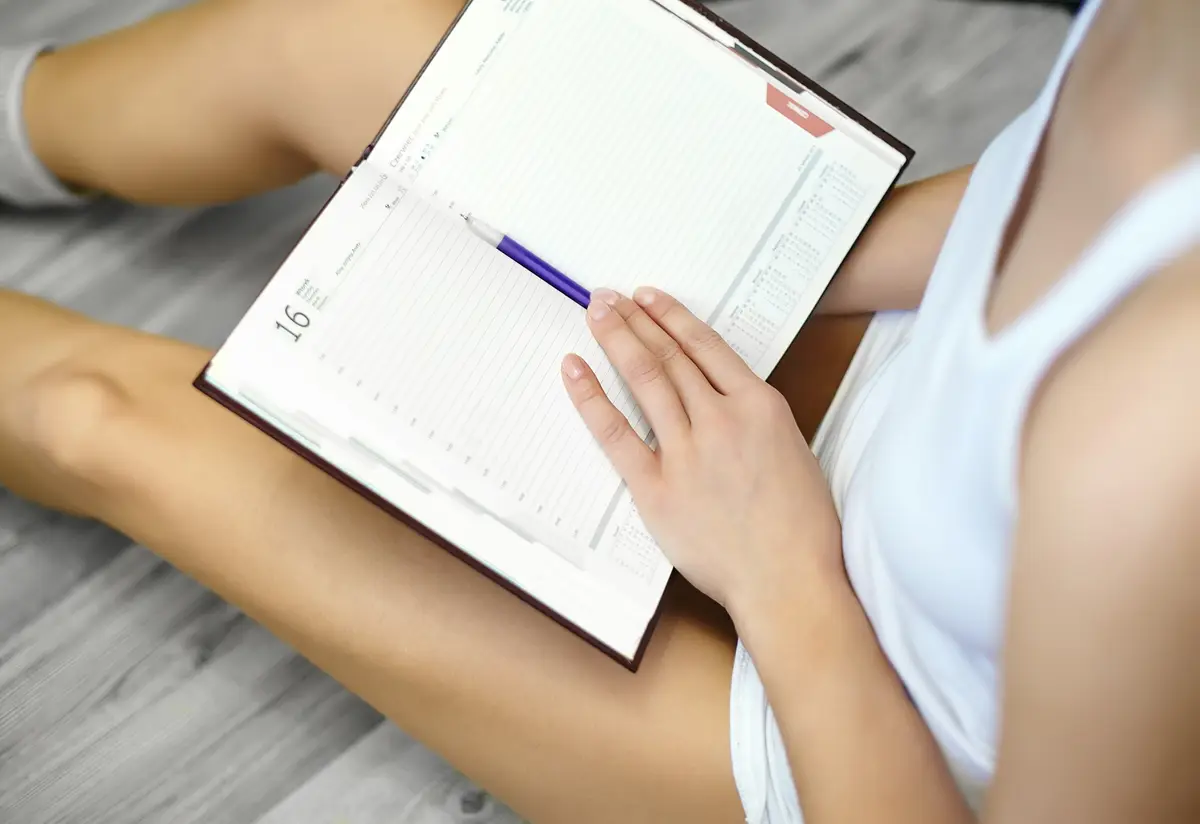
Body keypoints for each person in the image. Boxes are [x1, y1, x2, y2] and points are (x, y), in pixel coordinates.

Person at [1, 0, 1197, 821]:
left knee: (102, 419)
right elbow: (1040, 206)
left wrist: (781, 568)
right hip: (897, 389)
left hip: (855, 733)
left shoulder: (1149, 446)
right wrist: (770, 264)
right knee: (325, 32)